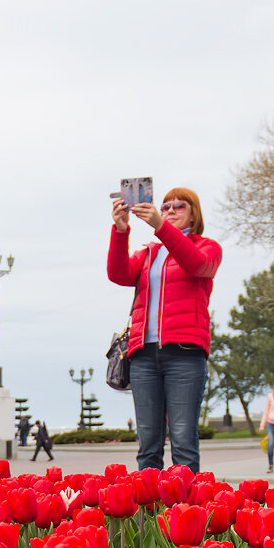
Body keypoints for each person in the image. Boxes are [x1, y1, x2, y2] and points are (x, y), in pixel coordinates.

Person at [107, 186, 222, 472]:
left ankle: (186, 514)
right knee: (148, 445)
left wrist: (160, 226)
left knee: (183, 442)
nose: (169, 211)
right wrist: (121, 231)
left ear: (194, 216)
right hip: (144, 356)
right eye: (165, 206)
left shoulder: (207, 247)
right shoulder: (149, 254)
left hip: (185, 355)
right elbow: (118, 274)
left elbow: (197, 265)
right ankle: (150, 516)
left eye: (178, 206)